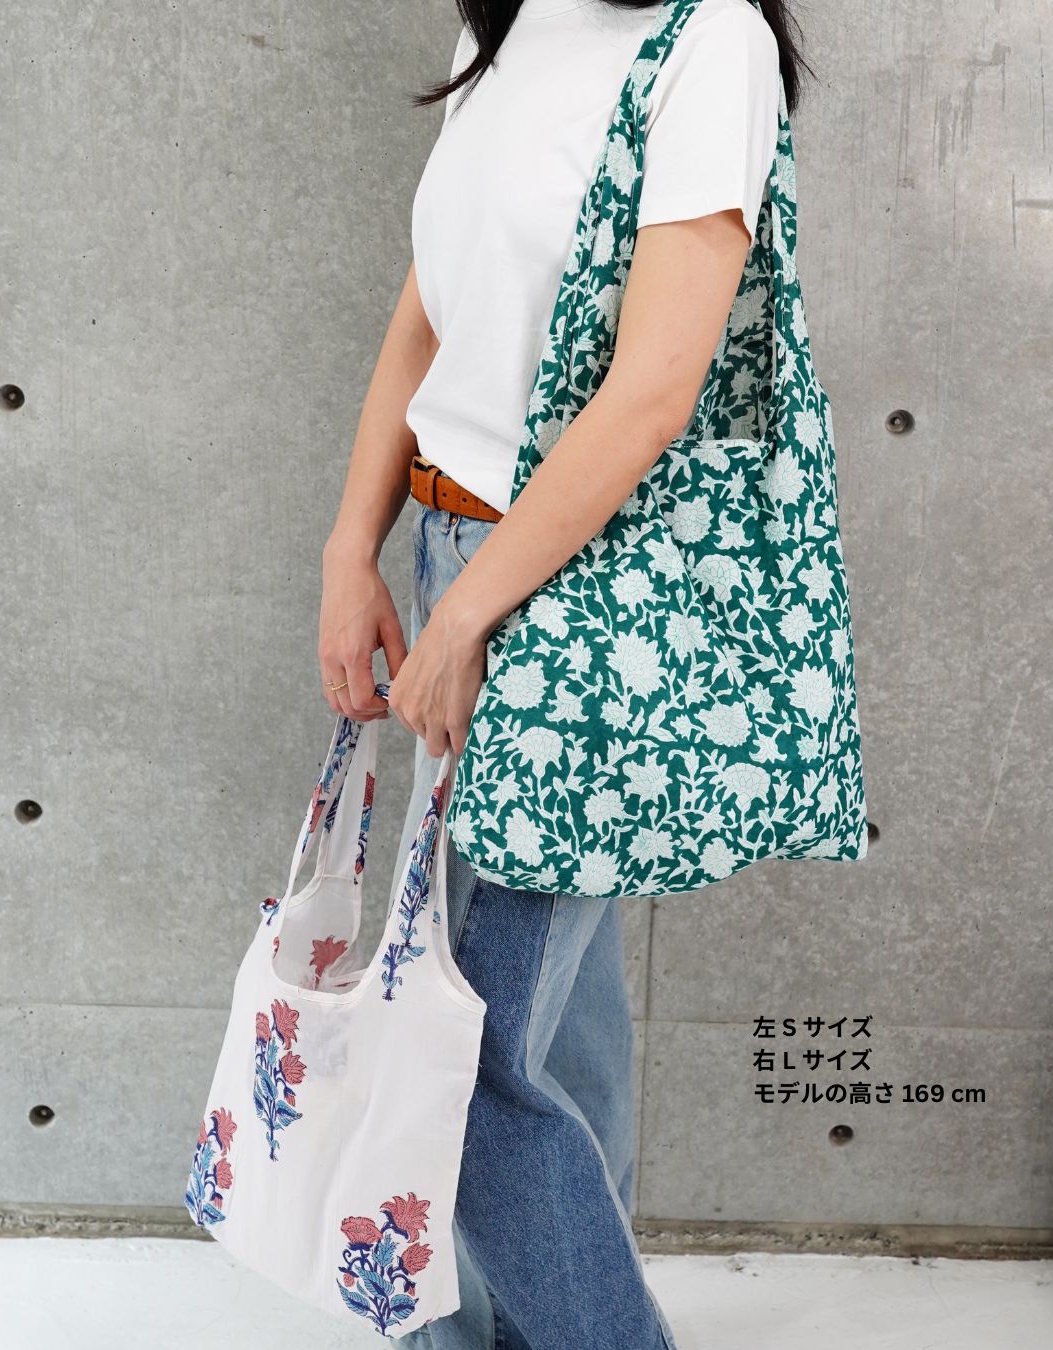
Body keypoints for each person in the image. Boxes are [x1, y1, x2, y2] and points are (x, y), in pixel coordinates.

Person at [318, 2, 807, 1344]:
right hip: (451, 542)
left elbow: (656, 384)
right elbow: (425, 315)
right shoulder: (517, 23)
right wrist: (352, 546)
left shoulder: (710, 44)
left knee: (469, 1054)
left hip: (564, 587)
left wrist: (476, 606)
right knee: (554, 1022)